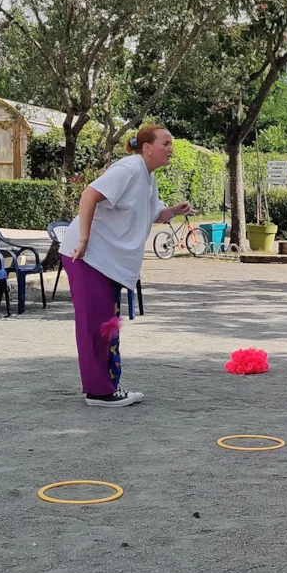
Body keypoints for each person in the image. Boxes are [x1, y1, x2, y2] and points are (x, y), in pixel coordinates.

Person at [60, 125, 193, 407]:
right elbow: (89, 195)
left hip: (104, 259)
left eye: (172, 144)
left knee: (106, 323)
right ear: (147, 147)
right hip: (88, 255)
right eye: (165, 143)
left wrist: (174, 211)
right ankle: (100, 391)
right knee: (95, 324)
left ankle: (104, 386)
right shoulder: (130, 168)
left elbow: (155, 214)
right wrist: (84, 239)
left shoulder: (147, 176)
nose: (170, 149)